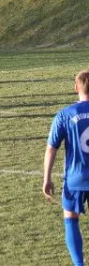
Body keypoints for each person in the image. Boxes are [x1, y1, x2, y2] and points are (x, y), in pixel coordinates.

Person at [43, 70, 89, 266]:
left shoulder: (64, 115)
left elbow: (51, 149)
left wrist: (47, 178)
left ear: (76, 87)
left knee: (70, 219)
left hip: (75, 178)